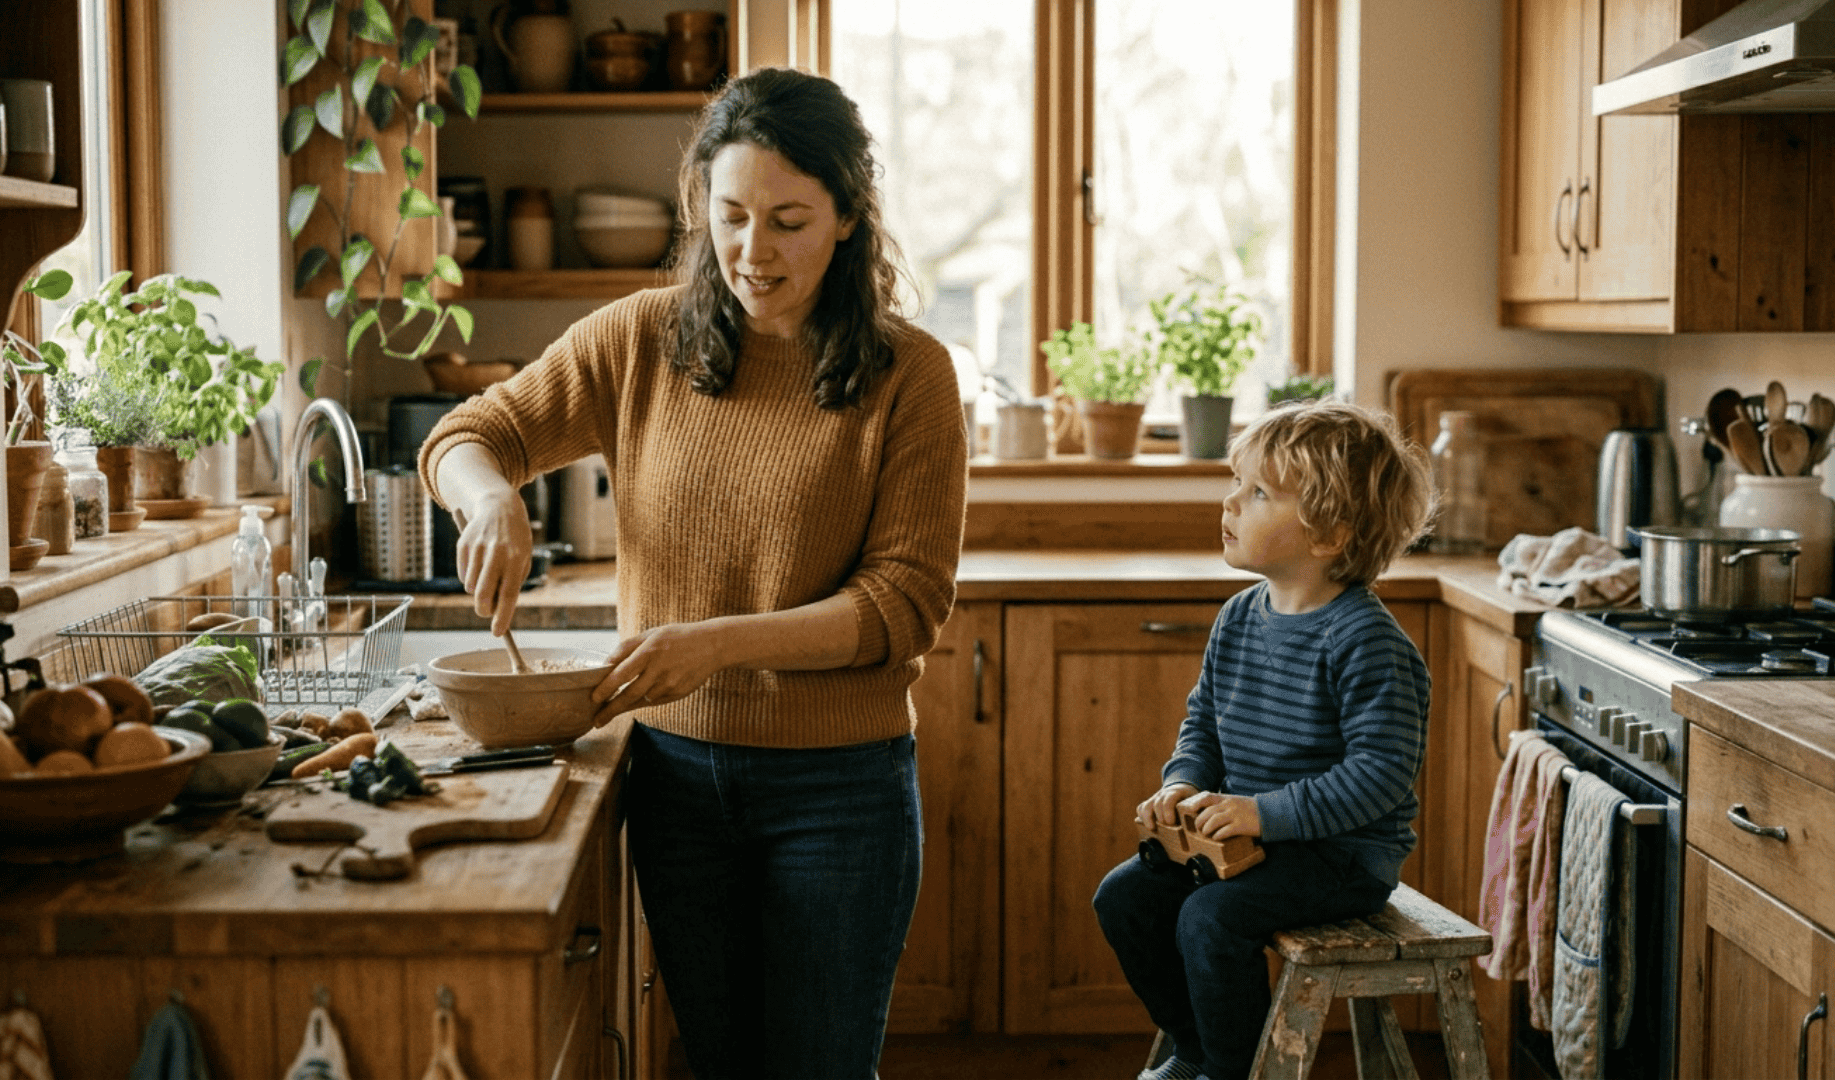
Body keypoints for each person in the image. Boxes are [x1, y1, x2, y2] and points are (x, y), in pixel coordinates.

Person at [419, 67, 968, 1079]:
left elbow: (903, 605)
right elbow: (472, 431)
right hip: (673, 781)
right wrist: (490, 497)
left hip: (839, 791)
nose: (754, 252)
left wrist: (712, 646)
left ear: (849, 217)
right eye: (731, 216)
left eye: (790, 221)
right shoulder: (640, 338)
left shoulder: (912, 376)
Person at [1092, 400, 1437, 1080]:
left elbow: (1380, 775)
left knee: (1210, 921)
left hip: (1340, 858)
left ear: (1329, 534)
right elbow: (1204, 722)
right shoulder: (1240, 616)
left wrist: (1261, 813)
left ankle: (1230, 1072)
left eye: (1257, 493)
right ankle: (1195, 1050)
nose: (1229, 502)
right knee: (1124, 897)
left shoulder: (1366, 641)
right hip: (1249, 845)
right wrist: (1182, 783)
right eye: (1236, 482)